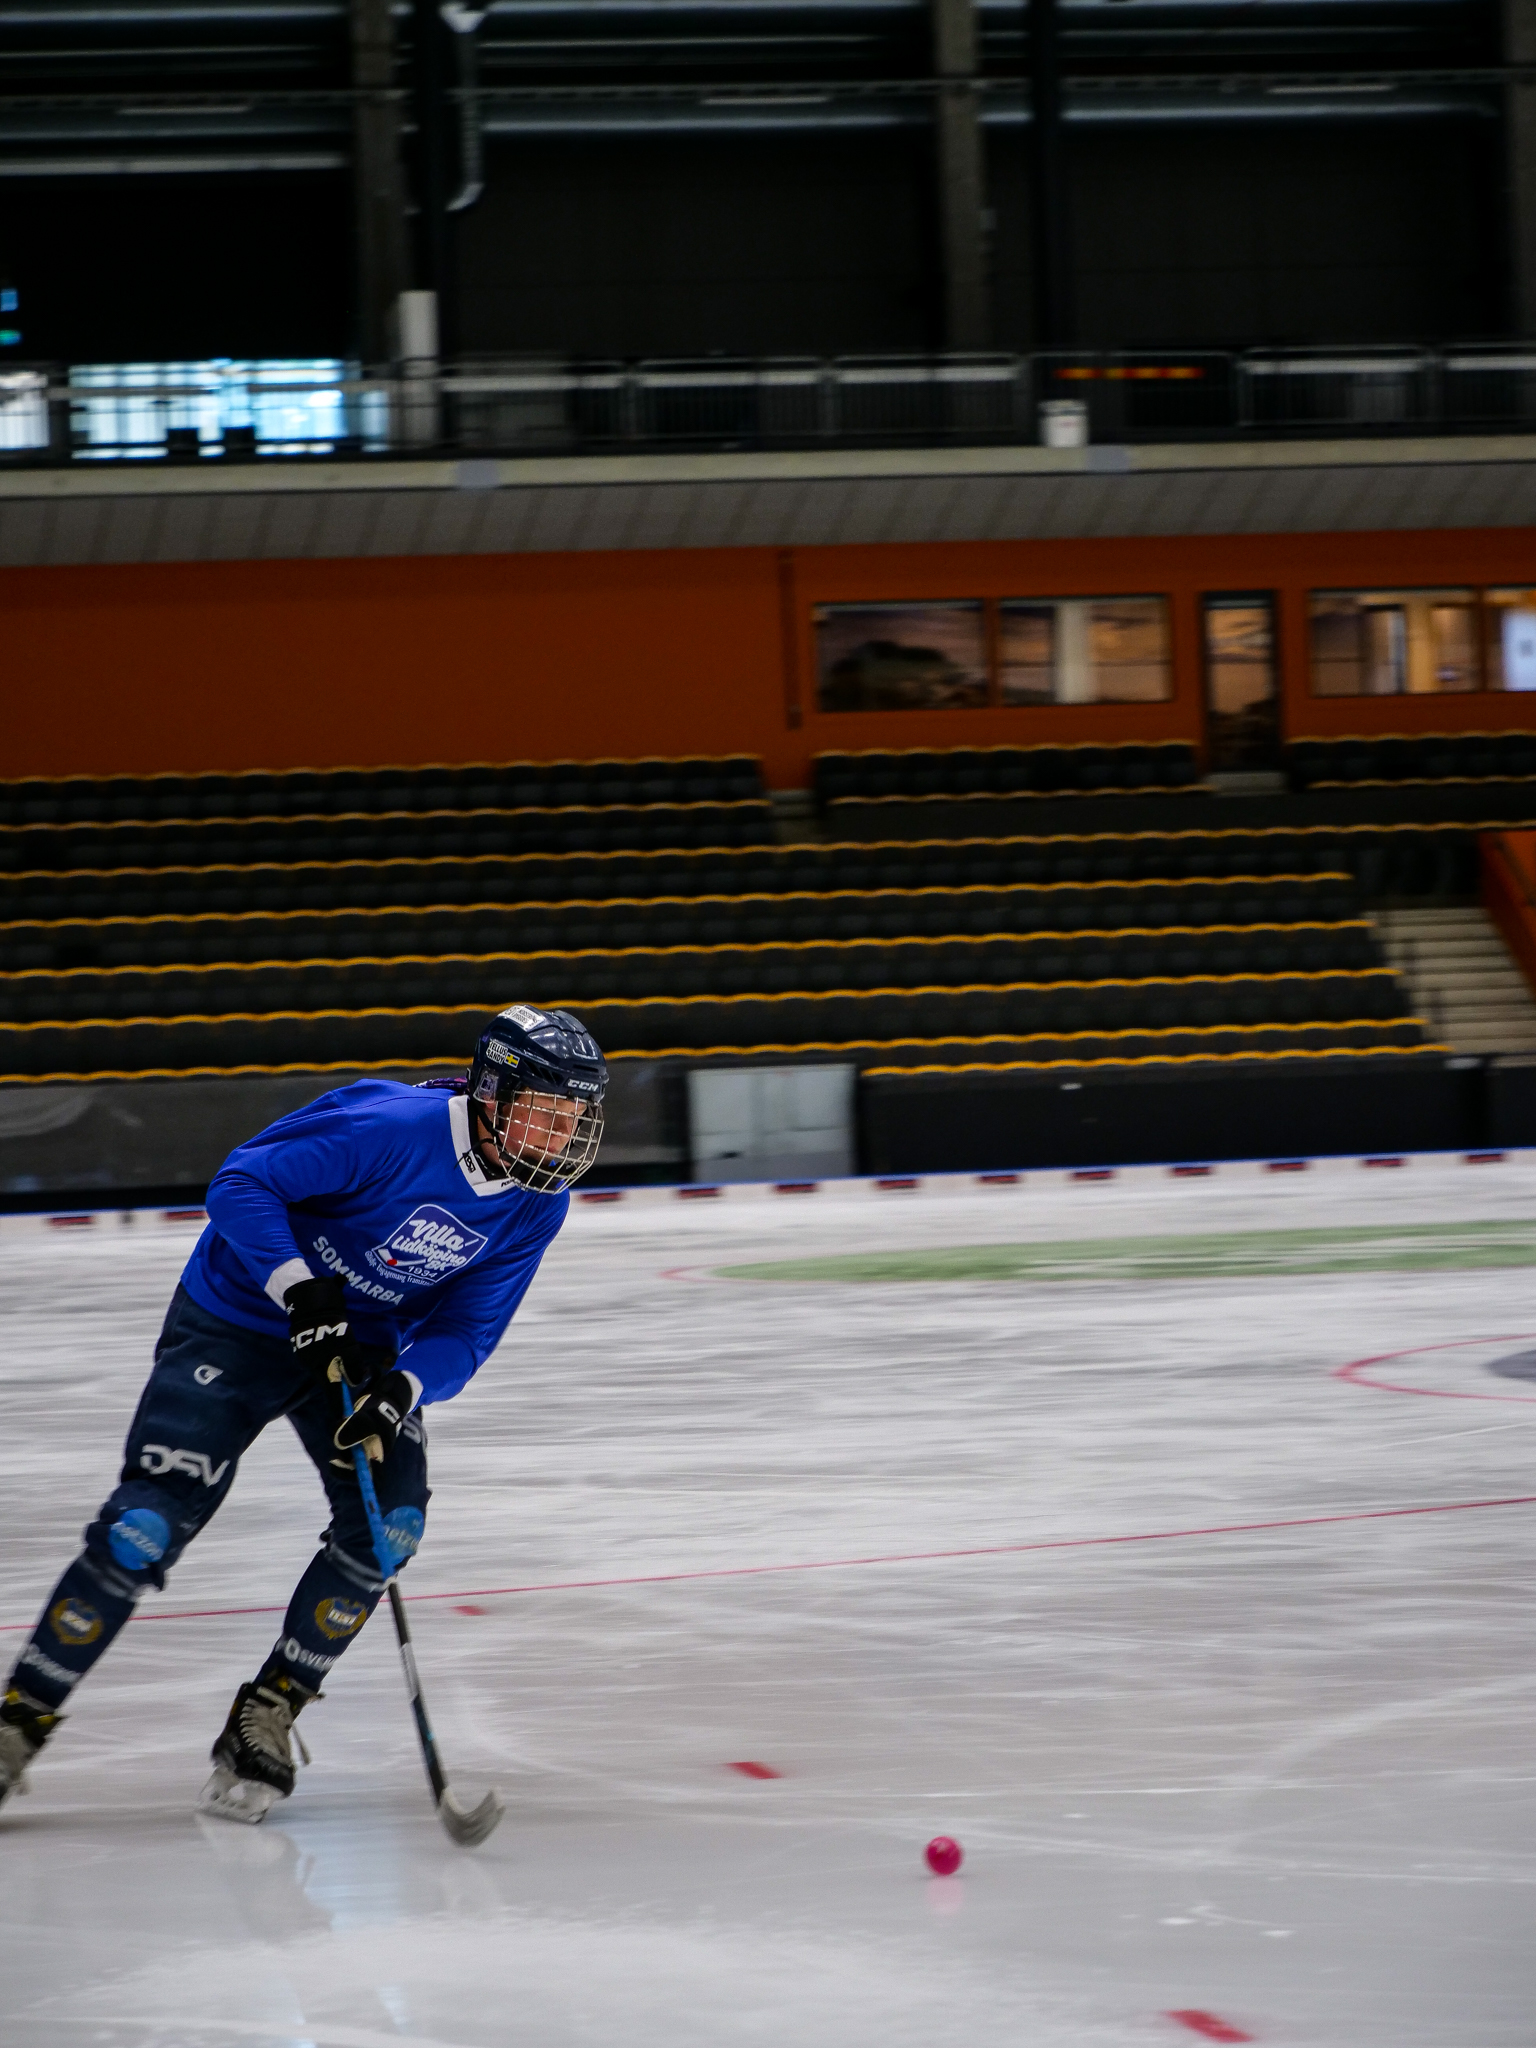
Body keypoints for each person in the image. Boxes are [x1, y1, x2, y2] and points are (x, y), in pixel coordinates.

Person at [0, 1004, 606, 1824]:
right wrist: (300, 1289)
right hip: (238, 1317)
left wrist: (401, 1390)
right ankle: (19, 1720)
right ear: (493, 1095)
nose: (563, 1135)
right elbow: (242, 1182)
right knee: (146, 1523)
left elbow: (468, 1329)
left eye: (576, 1117)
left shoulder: (537, 1204)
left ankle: (271, 1709)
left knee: (389, 1524)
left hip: (358, 1350)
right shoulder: (389, 1125)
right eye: (547, 1111)